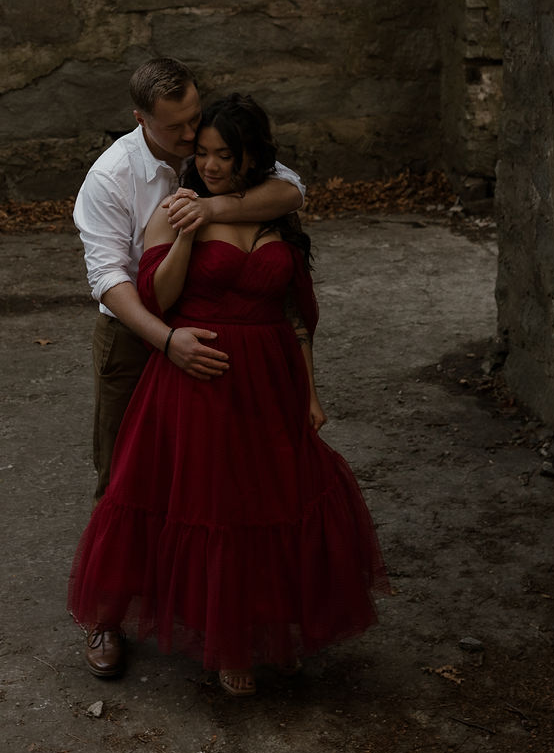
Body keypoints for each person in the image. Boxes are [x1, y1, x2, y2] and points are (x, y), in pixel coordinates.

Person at [68, 93, 388, 697]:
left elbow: (297, 313)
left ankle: (270, 629)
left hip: (268, 378)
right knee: (150, 485)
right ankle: (125, 624)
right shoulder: (125, 182)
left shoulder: (272, 205)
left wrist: (311, 393)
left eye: (220, 151)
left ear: (248, 158)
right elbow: (122, 281)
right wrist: (185, 256)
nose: (204, 156)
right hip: (178, 360)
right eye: (196, 143)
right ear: (144, 119)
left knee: (269, 499)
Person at [72, 58, 305, 679]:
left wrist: (215, 208)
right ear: (140, 119)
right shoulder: (111, 177)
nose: (191, 140)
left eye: (195, 120)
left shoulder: (213, 145)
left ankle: (217, 608)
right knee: (124, 475)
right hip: (135, 333)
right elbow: (109, 278)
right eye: (176, 129)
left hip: (218, 337)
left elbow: (289, 190)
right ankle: (105, 615)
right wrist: (166, 338)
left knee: (222, 480)